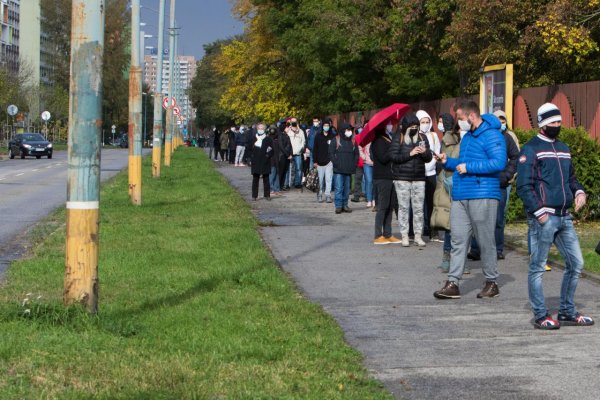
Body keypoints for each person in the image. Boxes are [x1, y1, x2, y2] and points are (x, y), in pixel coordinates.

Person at [516, 103, 593, 329]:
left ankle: (567, 311)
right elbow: (523, 186)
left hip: (564, 216)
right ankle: (540, 314)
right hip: (544, 217)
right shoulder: (531, 149)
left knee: (576, 263)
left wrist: (579, 192)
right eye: (552, 122)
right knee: (538, 267)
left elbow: (571, 179)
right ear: (542, 124)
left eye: (559, 122)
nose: (557, 126)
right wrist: (540, 214)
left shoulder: (564, 148)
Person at [433, 100, 506, 300]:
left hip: (482, 194)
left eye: (461, 118)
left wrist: (469, 168)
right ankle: (453, 282)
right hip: (461, 194)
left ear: (472, 116)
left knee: (485, 240)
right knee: (458, 240)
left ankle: (491, 282)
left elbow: (498, 163)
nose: (459, 122)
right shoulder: (468, 137)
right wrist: (448, 161)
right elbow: (463, 163)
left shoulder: (492, 135)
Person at [468, 109, 519, 261]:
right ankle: (476, 249)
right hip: (480, 184)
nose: (500, 124)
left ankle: (497, 249)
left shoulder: (506, 137)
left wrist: (506, 176)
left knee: (498, 219)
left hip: (499, 184)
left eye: (503, 121)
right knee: (477, 218)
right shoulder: (477, 137)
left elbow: (516, 157)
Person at [389, 114, 432, 247]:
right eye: (412, 127)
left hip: (419, 178)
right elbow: (393, 156)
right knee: (404, 207)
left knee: (418, 208)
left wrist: (424, 152)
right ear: (406, 127)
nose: (414, 129)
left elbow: (429, 158)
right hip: (402, 178)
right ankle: (405, 235)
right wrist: (410, 154)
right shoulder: (399, 137)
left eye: (416, 127)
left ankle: (418, 235)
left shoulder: (422, 137)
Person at [430, 113, 460, 272]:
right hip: (449, 183)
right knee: (450, 223)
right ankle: (447, 257)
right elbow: (447, 163)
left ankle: (461, 259)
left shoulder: (473, 139)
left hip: (465, 183)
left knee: (464, 226)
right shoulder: (448, 139)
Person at [372, 126, 401, 244]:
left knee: (390, 206)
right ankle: (378, 235)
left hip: (390, 176)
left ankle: (388, 233)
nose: (390, 126)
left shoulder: (388, 138)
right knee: (383, 206)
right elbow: (383, 158)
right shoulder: (378, 141)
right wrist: (392, 150)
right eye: (387, 125)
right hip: (382, 177)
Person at [417, 110, 441, 241]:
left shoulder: (433, 135)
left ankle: (433, 231)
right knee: (419, 204)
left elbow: (436, 151)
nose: (425, 124)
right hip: (419, 173)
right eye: (422, 122)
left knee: (431, 203)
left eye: (427, 122)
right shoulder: (416, 136)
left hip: (431, 172)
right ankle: (419, 230)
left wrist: (431, 162)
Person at [329, 123, 359, 214]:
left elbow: (356, 154)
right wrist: (336, 163)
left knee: (346, 189)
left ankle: (345, 205)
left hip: (349, 169)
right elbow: (331, 153)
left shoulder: (353, 141)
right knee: (338, 188)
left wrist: (354, 164)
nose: (349, 132)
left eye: (350, 130)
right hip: (338, 169)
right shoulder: (336, 140)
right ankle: (338, 206)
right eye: (347, 130)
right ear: (343, 130)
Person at [250, 123, 274, 201]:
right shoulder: (254, 138)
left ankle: (267, 195)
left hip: (265, 161)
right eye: (259, 128)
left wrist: (267, 156)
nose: (260, 130)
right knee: (255, 179)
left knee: (266, 179)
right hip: (256, 161)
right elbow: (249, 149)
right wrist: (251, 158)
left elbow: (271, 149)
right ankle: (254, 196)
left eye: (262, 128)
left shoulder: (268, 139)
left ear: (264, 129)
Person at [312, 120, 334, 203]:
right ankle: (320, 194)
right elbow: (315, 149)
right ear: (322, 126)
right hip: (319, 162)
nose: (326, 127)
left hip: (329, 161)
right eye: (324, 125)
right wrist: (315, 161)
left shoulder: (332, 136)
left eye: (327, 125)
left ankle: (328, 195)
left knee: (329, 179)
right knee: (320, 180)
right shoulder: (318, 136)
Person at [287, 117, 306, 188]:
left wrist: (300, 149)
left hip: (298, 153)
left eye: (295, 122)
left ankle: (297, 183)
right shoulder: (288, 131)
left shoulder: (301, 131)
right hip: (290, 153)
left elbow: (303, 141)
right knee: (289, 169)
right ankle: (288, 184)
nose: (294, 123)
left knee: (298, 168)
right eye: (292, 122)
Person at [360, 139, 374, 208]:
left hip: (376, 163)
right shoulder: (366, 138)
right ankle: (369, 199)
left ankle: (374, 199)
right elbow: (359, 147)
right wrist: (364, 157)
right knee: (369, 181)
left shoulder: (377, 137)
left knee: (375, 181)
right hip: (367, 163)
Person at [268, 127, 282, 196]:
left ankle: (276, 189)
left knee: (276, 175)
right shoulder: (269, 140)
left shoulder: (277, 140)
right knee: (272, 174)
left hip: (276, 159)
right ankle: (271, 189)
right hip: (272, 160)